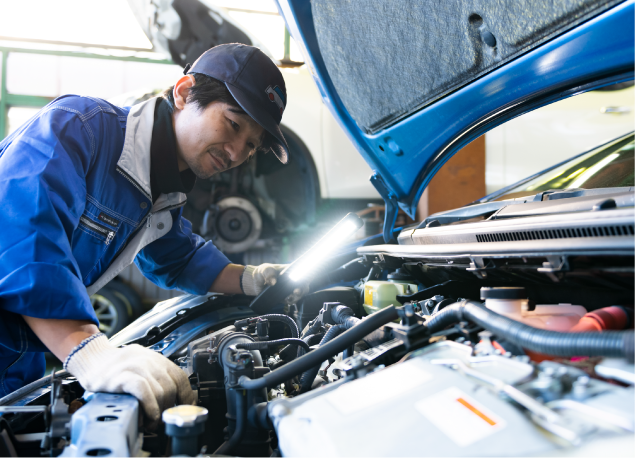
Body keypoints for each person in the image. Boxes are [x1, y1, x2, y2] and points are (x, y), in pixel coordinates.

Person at [0, 44, 306, 423]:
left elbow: (180, 259)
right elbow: (21, 238)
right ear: (184, 92)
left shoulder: (163, 188)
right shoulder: (79, 127)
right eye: (233, 124)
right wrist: (90, 353)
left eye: (251, 146)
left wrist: (252, 279)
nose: (235, 153)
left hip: (19, 353)